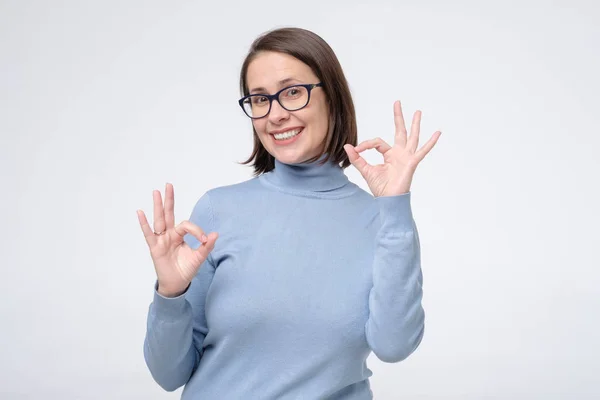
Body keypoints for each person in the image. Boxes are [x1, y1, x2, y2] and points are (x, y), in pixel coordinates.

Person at [137, 27, 441, 399]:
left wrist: (394, 208)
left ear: (332, 96)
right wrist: (170, 293)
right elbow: (169, 374)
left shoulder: (382, 222)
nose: (275, 114)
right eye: (260, 100)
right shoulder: (218, 210)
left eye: (293, 92)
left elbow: (395, 346)